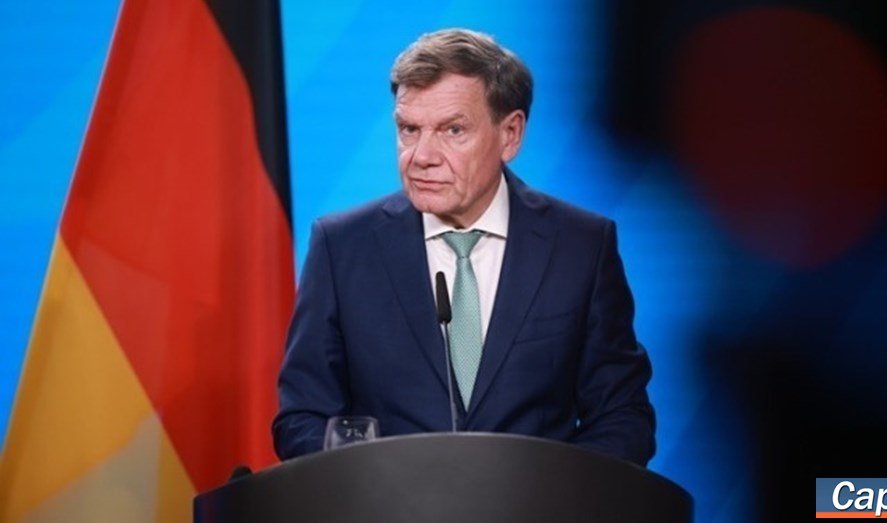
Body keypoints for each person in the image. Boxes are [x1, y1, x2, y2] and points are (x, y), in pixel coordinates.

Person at [272, 28, 655, 466]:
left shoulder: (581, 246)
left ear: (510, 134)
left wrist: (552, 492)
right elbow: (301, 418)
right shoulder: (342, 248)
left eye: (453, 130)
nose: (421, 156)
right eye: (409, 129)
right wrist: (374, 481)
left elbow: (623, 416)